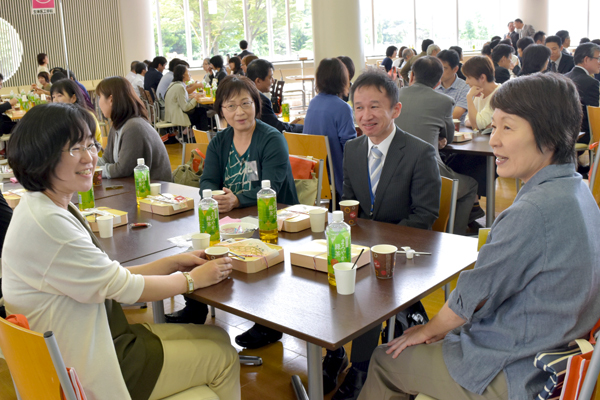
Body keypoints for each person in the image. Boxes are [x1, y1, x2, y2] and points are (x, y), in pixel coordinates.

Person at [358, 72, 600, 400]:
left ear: (550, 136)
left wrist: (427, 330)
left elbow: (471, 298)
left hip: (513, 369)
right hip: (556, 353)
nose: (494, 139)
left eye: (507, 127)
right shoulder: (579, 191)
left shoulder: (533, 211)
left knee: (385, 359)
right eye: (495, 125)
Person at [3, 103, 241, 400]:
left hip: (89, 340)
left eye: (91, 144)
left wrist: (172, 262)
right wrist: (193, 280)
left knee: (218, 338)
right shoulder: (50, 224)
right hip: (90, 364)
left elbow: (106, 278)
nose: (90, 157)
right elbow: (123, 288)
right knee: (223, 358)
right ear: (42, 155)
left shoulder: (43, 206)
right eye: (76, 148)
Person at [327, 68, 441, 400]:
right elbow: (351, 206)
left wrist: (380, 248)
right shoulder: (352, 149)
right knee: (328, 281)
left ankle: (361, 369)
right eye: (358, 107)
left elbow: (424, 216)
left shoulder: (419, 152)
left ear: (395, 109)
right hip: (362, 249)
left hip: (402, 253)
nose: (366, 115)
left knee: (369, 293)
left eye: (375, 106)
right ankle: (335, 354)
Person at [196, 76, 297, 338]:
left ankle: (269, 325)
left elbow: (272, 185)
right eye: (230, 106)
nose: (239, 112)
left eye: (245, 103)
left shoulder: (271, 138)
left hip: (273, 220)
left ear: (256, 104)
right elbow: (207, 179)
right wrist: (217, 196)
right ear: (221, 112)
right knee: (200, 248)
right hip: (234, 221)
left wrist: (237, 199)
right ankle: (194, 308)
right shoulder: (220, 142)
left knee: (259, 256)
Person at [395, 56, 478, 235]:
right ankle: (455, 236)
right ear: (438, 81)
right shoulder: (444, 101)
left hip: (394, 173)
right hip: (429, 175)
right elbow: (448, 136)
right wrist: (438, 138)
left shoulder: (394, 96)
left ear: (412, 76)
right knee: (471, 185)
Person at [96, 76, 172, 181]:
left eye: (100, 97)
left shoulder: (134, 127)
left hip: (154, 191)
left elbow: (122, 169)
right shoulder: (118, 125)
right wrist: (86, 166)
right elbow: (107, 159)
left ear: (111, 100)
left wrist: (94, 171)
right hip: (134, 188)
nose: (99, 103)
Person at [304, 58, 356, 202]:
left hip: (315, 178)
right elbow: (350, 148)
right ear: (343, 79)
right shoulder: (343, 108)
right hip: (337, 180)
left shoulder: (313, 103)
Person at [246, 59, 303, 133]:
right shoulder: (260, 100)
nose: (273, 81)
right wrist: (301, 126)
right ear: (258, 81)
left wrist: (288, 125)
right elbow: (277, 128)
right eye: (270, 77)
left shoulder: (245, 93)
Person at [50, 79, 103, 150]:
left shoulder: (85, 116)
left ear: (73, 98)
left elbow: (89, 146)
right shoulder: (61, 117)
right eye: (53, 97)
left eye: (59, 96)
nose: (55, 101)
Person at [566, 42, 600, 145]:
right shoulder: (591, 83)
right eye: (598, 58)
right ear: (586, 59)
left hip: (565, 132)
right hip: (583, 134)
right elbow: (593, 116)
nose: (599, 62)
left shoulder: (564, 77)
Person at [164, 64, 206, 132]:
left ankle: (196, 137)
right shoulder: (179, 87)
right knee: (201, 112)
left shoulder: (174, 84)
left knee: (199, 111)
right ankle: (203, 138)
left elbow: (182, 100)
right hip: (177, 117)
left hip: (171, 115)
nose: (190, 74)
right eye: (188, 72)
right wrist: (195, 98)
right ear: (183, 74)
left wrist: (194, 97)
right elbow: (185, 108)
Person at [463, 56, 500, 130]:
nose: (466, 82)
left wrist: (469, 97)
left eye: (469, 78)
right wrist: (481, 125)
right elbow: (467, 120)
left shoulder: (499, 94)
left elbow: (476, 125)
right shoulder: (479, 92)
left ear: (482, 77)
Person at [436, 49, 469, 123]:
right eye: (437, 67)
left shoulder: (465, 88)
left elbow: (454, 117)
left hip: (458, 131)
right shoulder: (433, 86)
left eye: (443, 68)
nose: (439, 72)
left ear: (455, 69)